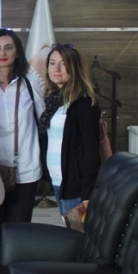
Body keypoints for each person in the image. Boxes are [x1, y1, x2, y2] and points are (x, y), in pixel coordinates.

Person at [0, 30, 45, 257]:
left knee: (19, 234)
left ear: (17, 52)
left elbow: (44, 119)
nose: (3, 53)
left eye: (8, 48)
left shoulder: (32, 82)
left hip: (26, 169)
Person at [38, 43, 102, 216]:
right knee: (69, 231)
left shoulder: (84, 103)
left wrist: (87, 193)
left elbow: (91, 151)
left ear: (74, 68)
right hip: (58, 182)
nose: (56, 69)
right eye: (52, 63)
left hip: (76, 187)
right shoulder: (53, 100)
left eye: (64, 64)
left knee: (76, 232)